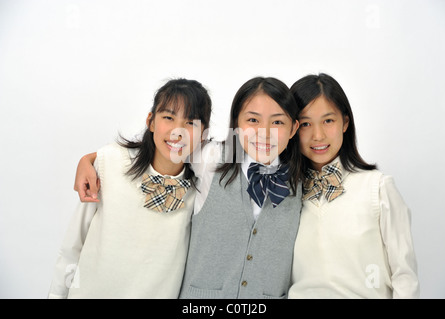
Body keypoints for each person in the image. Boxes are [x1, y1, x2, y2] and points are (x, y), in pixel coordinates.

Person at [73, 77, 303, 299]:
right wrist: (93, 159)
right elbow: (167, 146)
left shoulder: (301, 180)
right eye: (252, 120)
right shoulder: (212, 157)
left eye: (277, 122)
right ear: (236, 125)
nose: (264, 132)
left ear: (293, 129)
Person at [48, 78, 212, 298]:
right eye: (168, 117)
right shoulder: (110, 163)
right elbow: (72, 248)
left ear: (203, 134)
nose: (177, 132)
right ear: (151, 121)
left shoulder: (201, 190)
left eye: (191, 123)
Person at [288, 73, 420, 299]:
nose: (317, 135)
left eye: (328, 121)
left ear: (345, 123)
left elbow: (405, 276)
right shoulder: (284, 196)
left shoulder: (377, 187)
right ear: (292, 129)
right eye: (306, 124)